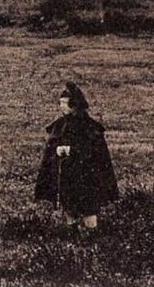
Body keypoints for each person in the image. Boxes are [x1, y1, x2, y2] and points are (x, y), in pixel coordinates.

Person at [35, 82, 119, 230]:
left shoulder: (89, 126)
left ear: (74, 105)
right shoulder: (60, 125)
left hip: (86, 175)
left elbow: (94, 152)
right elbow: (52, 146)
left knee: (88, 207)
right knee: (68, 204)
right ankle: (72, 234)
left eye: (64, 103)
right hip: (67, 174)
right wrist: (56, 151)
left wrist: (71, 151)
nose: (61, 106)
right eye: (60, 103)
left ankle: (92, 237)